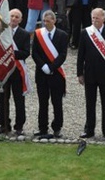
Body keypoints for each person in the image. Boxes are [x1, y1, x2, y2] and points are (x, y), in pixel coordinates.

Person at [77, 8, 105, 140]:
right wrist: (79, 73)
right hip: (89, 73)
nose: (95, 20)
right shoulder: (85, 33)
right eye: (93, 18)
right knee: (90, 103)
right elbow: (80, 55)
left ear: (103, 18)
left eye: (97, 18)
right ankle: (89, 129)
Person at [32, 10, 68, 139]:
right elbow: (34, 53)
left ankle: (57, 128)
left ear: (54, 21)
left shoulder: (62, 35)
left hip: (56, 74)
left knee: (56, 102)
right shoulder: (38, 34)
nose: (46, 23)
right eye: (44, 21)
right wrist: (43, 66)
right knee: (43, 102)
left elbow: (63, 55)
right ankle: (42, 128)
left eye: (48, 21)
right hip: (41, 74)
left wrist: (52, 67)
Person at [0, 9, 30, 136]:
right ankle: (4, 125)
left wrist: (11, 53)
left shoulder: (24, 34)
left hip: (17, 72)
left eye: (17, 17)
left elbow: (26, 53)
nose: (14, 18)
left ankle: (19, 126)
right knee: (3, 99)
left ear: (20, 20)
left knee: (19, 100)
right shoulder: (1, 32)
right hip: (3, 71)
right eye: (12, 16)